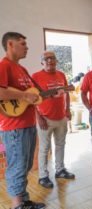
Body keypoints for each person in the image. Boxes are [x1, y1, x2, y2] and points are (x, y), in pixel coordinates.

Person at [0, 32, 45, 209]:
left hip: (28, 124)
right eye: (22, 43)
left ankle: (24, 200)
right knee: (17, 165)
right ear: (10, 44)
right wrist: (25, 95)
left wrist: (52, 94)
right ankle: (17, 205)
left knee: (25, 165)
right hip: (13, 127)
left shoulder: (23, 69)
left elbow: (36, 94)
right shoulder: (4, 66)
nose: (27, 47)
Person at [32, 51, 75, 189]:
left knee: (61, 144)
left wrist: (67, 109)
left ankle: (60, 170)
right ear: (42, 62)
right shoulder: (36, 76)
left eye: (53, 58)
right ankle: (43, 176)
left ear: (56, 61)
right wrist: (38, 117)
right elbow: (32, 99)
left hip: (61, 117)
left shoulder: (61, 74)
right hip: (45, 118)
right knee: (44, 148)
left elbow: (66, 93)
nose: (50, 60)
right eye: (47, 58)